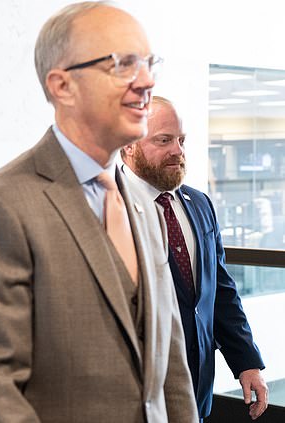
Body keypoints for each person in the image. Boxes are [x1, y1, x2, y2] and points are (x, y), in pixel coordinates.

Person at [0, 3, 198, 422]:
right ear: (62, 86)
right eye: (123, 64)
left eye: (149, 63)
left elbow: (170, 366)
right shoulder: (2, 206)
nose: (148, 81)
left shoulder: (145, 204)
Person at [121, 95, 268, 420]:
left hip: (197, 386)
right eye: (164, 140)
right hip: (135, 392)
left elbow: (220, 292)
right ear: (128, 145)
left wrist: (246, 360)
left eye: (182, 140)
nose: (178, 150)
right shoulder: (107, 208)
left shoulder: (199, 204)